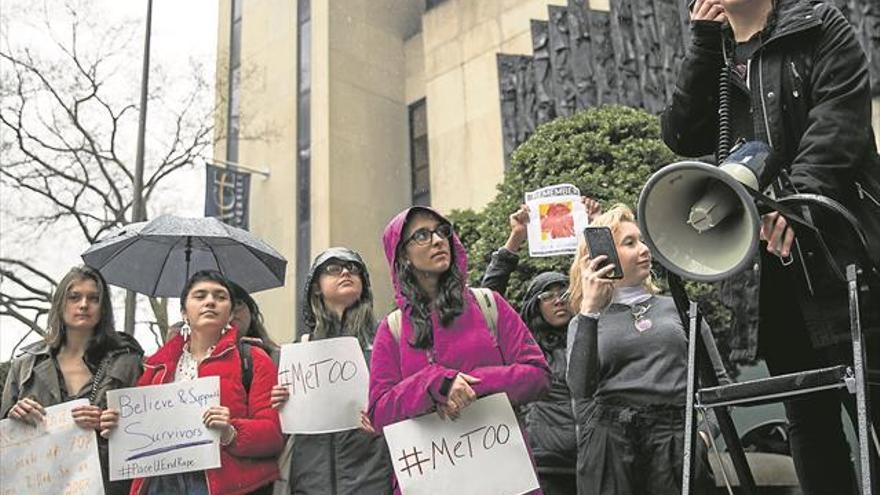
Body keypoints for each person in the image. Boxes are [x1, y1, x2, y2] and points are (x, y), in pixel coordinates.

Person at [661, 0, 880, 492]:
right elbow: (680, 134)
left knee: (871, 404)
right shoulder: (713, 53)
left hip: (841, 255)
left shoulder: (820, 25)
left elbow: (838, 127)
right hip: (772, 271)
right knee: (808, 419)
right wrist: (701, 44)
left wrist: (797, 202)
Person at [368, 206, 552, 494]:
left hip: (504, 477)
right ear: (402, 254)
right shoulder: (391, 330)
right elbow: (380, 413)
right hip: (431, 482)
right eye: (422, 235)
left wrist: (474, 384)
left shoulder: (489, 305)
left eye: (443, 231)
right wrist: (435, 383)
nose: (438, 240)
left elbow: (538, 377)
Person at [566, 204, 723, 495]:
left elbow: (717, 384)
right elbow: (580, 391)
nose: (644, 249)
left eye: (641, 240)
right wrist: (590, 311)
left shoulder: (680, 309)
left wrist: (702, 436)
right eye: (630, 243)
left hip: (675, 438)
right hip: (610, 442)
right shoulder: (584, 321)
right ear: (602, 257)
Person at [100, 270, 283, 495]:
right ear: (184, 312)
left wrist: (231, 432)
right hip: (161, 484)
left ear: (229, 312)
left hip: (226, 486)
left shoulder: (253, 359)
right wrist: (115, 427)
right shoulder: (156, 367)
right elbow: (137, 431)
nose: (210, 302)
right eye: (200, 296)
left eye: (220, 297)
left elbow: (273, 435)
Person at [479, 199, 601, 495]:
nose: (559, 300)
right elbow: (484, 301)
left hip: (596, 460)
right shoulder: (524, 346)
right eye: (549, 295)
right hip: (544, 466)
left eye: (564, 292)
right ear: (535, 305)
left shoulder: (593, 333)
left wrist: (597, 227)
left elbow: (608, 278)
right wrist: (515, 239)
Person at [1, 265, 144, 495]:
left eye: (94, 298)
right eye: (74, 297)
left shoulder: (128, 363)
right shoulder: (25, 365)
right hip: (41, 484)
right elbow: (5, 441)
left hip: (108, 486)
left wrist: (109, 425)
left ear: (103, 308)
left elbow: (144, 434)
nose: (84, 305)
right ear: (60, 303)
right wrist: (14, 416)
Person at [269, 247, 392, 494]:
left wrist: (384, 416)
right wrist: (277, 402)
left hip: (373, 478)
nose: (346, 272)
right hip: (310, 482)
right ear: (316, 287)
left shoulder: (386, 340)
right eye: (333, 269)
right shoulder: (296, 351)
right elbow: (279, 429)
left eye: (354, 268)